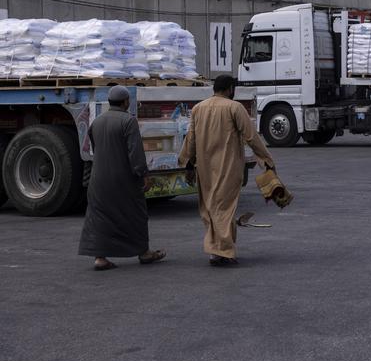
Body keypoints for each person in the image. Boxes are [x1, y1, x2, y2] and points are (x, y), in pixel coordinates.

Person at [178, 75, 275, 266]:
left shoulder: (198, 108)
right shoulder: (234, 108)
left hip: (205, 167)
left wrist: (188, 164)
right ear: (230, 88)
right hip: (228, 166)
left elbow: (191, 140)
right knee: (224, 207)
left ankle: (217, 250)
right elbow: (251, 137)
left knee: (210, 207)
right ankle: (222, 251)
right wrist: (266, 159)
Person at [78, 85, 166, 271]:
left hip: (99, 178)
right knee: (136, 213)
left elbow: (95, 147)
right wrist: (143, 174)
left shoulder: (97, 121)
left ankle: (100, 258)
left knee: (100, 216)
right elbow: (135, 152)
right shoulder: (128, 121)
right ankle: (144, 252)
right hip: (123, 179)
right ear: (126, 101)